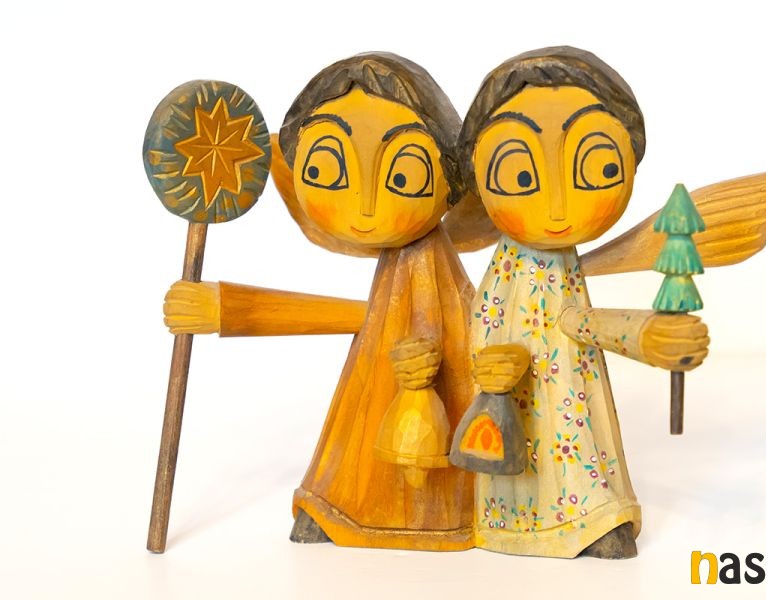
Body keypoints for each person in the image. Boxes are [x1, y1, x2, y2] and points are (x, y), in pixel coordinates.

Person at [163, 53, 476, 551]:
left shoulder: (435, 273)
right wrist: (224, 307)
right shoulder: (402, 269)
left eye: (402, 175)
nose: (367, 207)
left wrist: (227, 308)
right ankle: (338, 512)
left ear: (453, 179)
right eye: (329, 171)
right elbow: (369, 322)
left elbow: (376, 323)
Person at [454, 47, 710, 558]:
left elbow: (572, 321)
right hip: (509, 404)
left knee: (573, 439)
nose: (555, 208)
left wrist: (642, 334)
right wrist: (488, 363)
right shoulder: (506, 268)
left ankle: (587, 518)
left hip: (568, 394)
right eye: (521, 175)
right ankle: (537, 522)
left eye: (595, 169)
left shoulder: (560, 269)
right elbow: (487, 319)